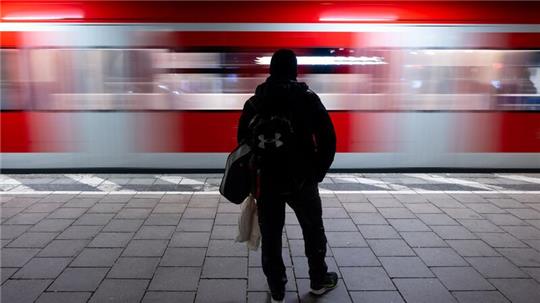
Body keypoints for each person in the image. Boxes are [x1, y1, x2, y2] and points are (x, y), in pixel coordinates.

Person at [237, 49, 337, 302]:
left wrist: (255, 174)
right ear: (295, 70)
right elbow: (328, 138)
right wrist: (317, 172)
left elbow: (242, 144)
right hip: (302, 178)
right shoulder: (308, 99)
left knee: (271, 235)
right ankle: (317, 280)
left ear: (270, 70)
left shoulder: (254, 103)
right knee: (313, 228)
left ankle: (277, 287)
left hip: (267, 180)